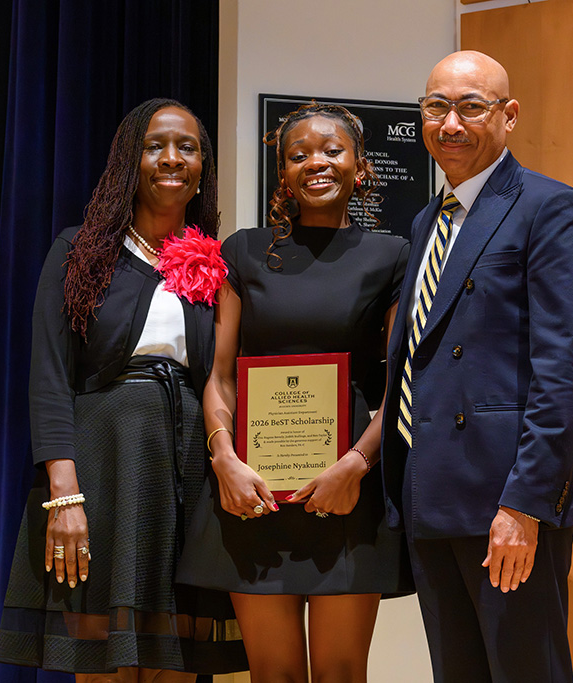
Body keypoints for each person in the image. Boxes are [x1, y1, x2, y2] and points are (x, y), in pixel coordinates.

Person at [0, 98, 247, 682]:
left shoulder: (214, 265)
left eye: (188, 147)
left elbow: (223, 377)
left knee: (176, 657)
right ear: (129, 159)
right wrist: (65, 494)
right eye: (155, 145)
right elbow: (50, 376)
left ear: (203, 165)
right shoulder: (80, 252)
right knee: (102, 656)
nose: (172, 158)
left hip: (185, 472)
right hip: (103, 468)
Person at [379, 51, 573, 682]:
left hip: (506, 499)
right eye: (435, 107)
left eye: (470, 107)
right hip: (433, 494)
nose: (450, 123)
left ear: (508, 116)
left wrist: (525, 504)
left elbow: (563, 370)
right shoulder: (426, 220)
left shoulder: (549, 207)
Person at [176, 102, 412, 683]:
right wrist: (224, 459)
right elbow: (221, 375)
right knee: (273, 675)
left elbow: (403, 383)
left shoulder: (392, 256)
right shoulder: (245, 251)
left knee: (340, 674)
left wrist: (356, 466)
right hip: (252, 495)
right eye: (297, 154)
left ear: (360, 165)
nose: (316, 162)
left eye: (332, 150)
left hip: (347, 496)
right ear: (281, 172)